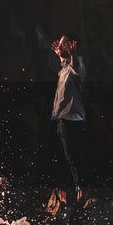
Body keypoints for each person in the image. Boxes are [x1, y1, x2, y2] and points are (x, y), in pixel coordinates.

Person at [36, 26, 88, 206]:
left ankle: (81, 190)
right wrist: (60, 55)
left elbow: (76, 69)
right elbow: (65, 64)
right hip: (60, 118)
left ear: (72, 46)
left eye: (64, 43)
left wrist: (72, 54)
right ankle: (65, 191)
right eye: (60, 43)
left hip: (71, 119)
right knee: (61, 156)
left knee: (72, 156)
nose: (60, 45)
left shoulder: (77, 64)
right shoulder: (64, 68)